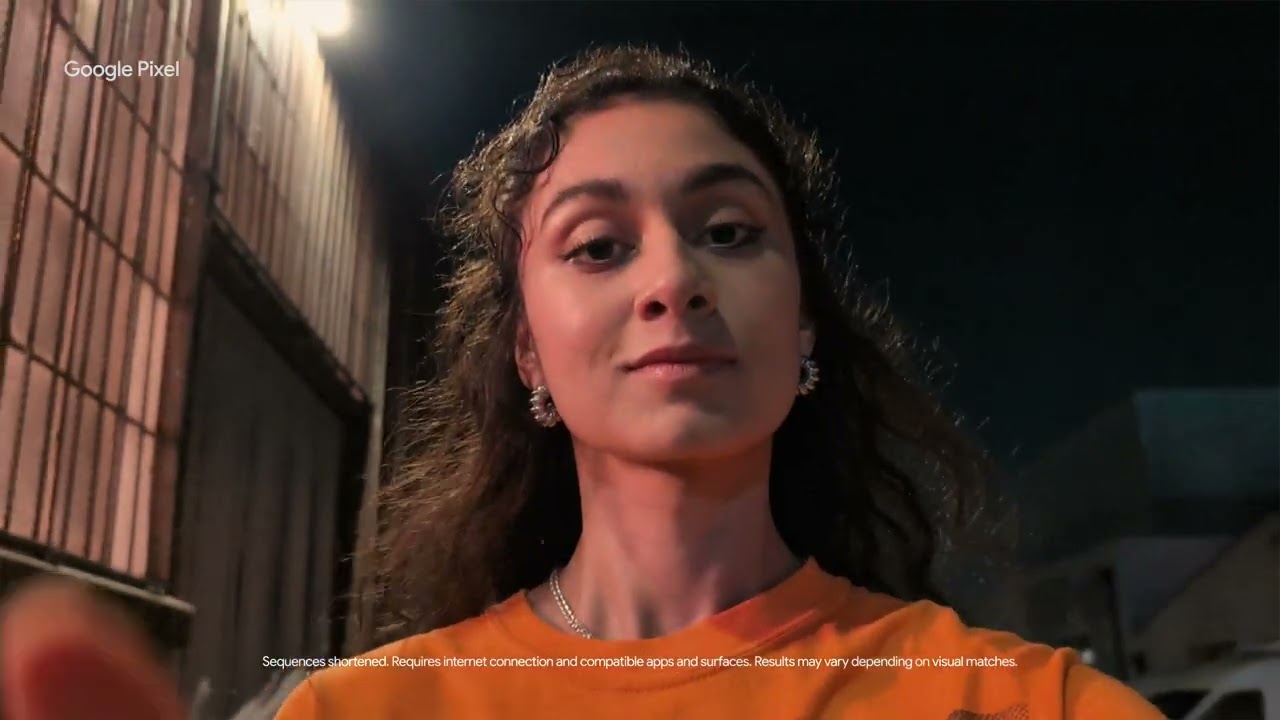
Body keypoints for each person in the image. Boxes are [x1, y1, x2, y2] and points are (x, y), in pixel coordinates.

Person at [0, 45, 1164, 720]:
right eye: (597, 245)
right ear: (526, 354)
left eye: (727, 231)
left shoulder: (1015, 703)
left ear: (803, 321)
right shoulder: (365, 713)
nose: (674, 281)